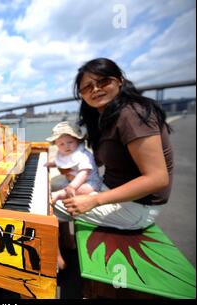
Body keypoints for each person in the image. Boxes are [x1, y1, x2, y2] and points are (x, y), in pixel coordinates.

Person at [53, 57, 173, 232]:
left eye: (103, 82)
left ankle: (58, 258)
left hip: (137, 206)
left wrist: (94, 200)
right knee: (53, 187)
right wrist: (67, 159)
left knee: (43, 205)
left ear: (120, 81)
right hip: (111, 191)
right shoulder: (106, 117)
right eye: (87, 87)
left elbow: (158, 179)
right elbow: (100, 160)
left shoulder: (132, 115)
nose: (95, 89)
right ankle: (67, 246)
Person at [46, 121, 102, 204]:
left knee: (85, 189)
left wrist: (72, 186)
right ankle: (62, 192)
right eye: (61, 144)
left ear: (78, 140)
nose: (66, 146)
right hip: (70, 181)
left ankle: (59, 195)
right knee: (53, 185)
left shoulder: (83, 155)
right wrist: (48, 164)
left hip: (89, 181)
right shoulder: (64, 153)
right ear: (56, 144)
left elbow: (84, 173)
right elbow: (59, 161)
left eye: (70, 142)